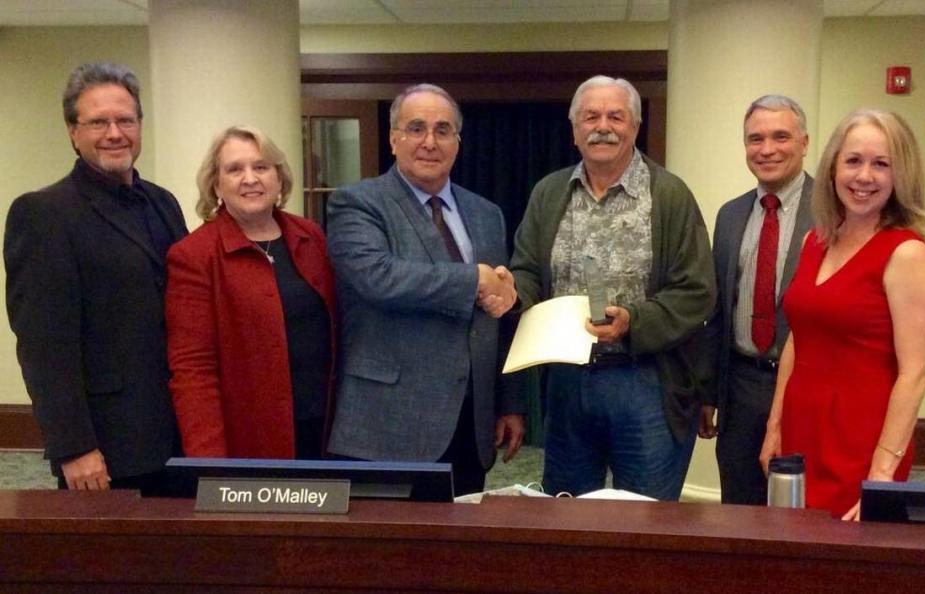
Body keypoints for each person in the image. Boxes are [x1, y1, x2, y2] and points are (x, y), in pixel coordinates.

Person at [510, 75, 716, 499]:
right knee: (566, 515)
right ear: (574, 130)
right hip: (567, 383)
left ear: (635, 127)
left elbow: (696, 290)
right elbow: (528, 271)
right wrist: (510, 289)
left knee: (645, 520)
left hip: (646, 382)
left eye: (615, 116)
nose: (602, 126)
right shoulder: (549, 194)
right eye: (590, 116)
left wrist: (633, 321)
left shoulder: (670, 195)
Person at [325, 83, 525, 496]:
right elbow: (379, 277)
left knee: (461, 551)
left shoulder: (487, 215)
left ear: (458, 142)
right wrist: (475, 279)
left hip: (470, 424)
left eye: (443, 130)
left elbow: (497, 319)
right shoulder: (357, 203)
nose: (429, 142)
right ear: (394, 138)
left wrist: (507, 402)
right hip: (387, 426)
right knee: (387, 556)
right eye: (416, 128)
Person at [4, 62, 186, 494]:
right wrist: (73, 447)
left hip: (176, 430)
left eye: (125, 120)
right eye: (98, 122)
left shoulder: (163, 203)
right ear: (72, 131)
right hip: (107, 445)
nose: (114, 133)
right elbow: (44, 346)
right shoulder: (43, 213)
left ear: (140, 125)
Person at [759, 109, 925, 520]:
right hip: (801, 431)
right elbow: (797, 338)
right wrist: (775, 427)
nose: (864, 177)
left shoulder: (907, 253)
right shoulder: (815, 240)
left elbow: (915, 374)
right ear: (833, 168)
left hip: (862, 442)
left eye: (881, 164)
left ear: (901, 176)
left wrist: (881, 474)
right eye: (854, 161)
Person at [165, 126, 336, 460]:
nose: (250, 178)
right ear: (216, 184)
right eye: (234, 169)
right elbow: (192, 369)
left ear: (279, 178)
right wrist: (209, 460)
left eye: (261, 167)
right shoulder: (194, 255)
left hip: (323, 429)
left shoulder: (310, 236)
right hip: (248, 438)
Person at [699, 95, 814, 505]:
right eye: (755, 138)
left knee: (804, 510)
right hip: (740, 386)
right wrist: (708, 392)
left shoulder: (832, 212)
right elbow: (716, 314)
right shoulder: (730, 216)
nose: (767, 149)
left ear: (804, 142)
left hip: (807, 386)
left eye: (780, 136)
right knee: (741, 508)